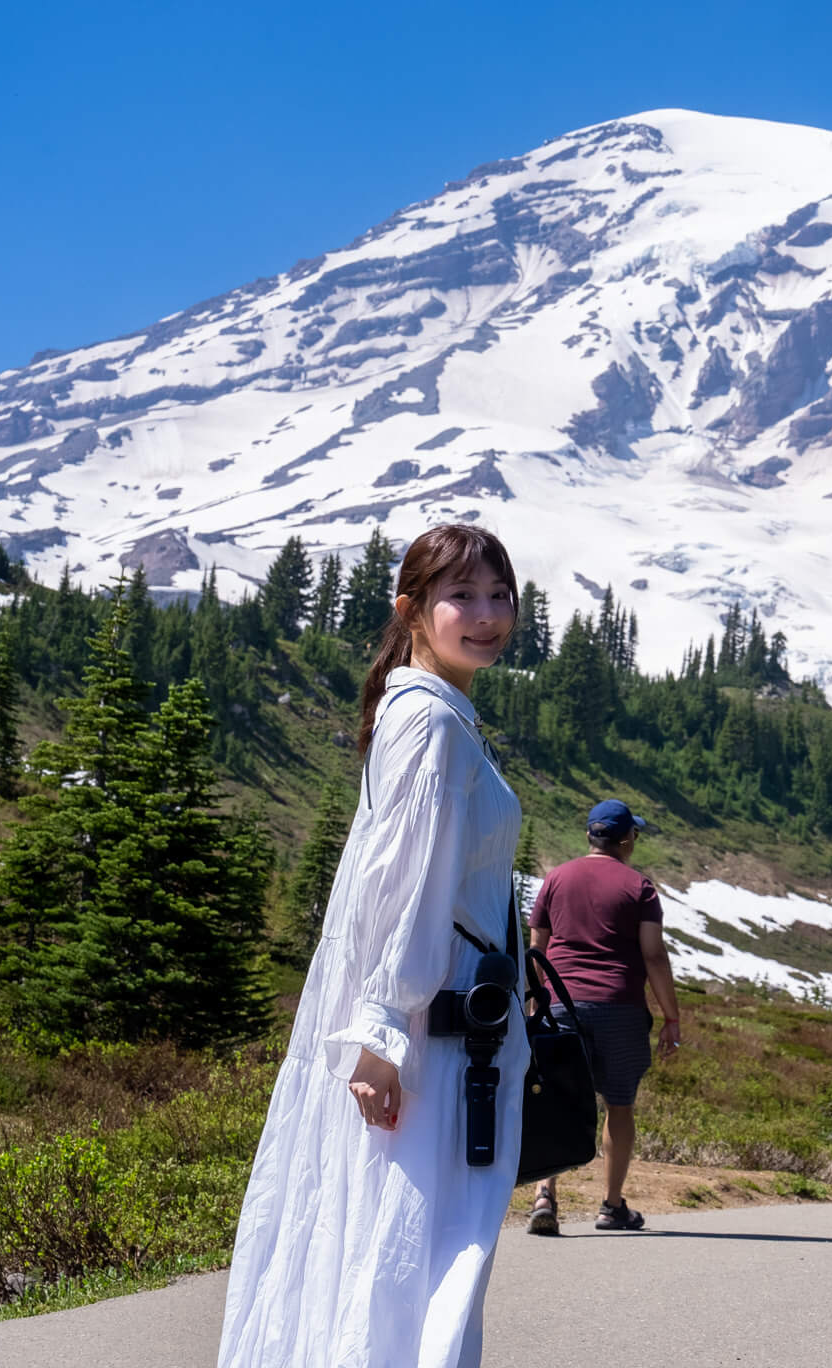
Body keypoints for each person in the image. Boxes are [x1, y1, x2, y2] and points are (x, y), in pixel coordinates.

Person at [219, 524, 526, 1368]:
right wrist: (383, 1036)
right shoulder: (429, 725)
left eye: (500, 595)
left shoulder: (434, 715)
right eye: (463, 595)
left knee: (404, 1242)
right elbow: (398, 893)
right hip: (434, 1041)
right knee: (423, 1248)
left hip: (445, 1030)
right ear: (413, 610)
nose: (487, 614)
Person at [525, 798, 682, 1235]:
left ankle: (544, 1194)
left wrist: (536, 1005)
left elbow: (537, 948)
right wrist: (671, 1017)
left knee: (555, 1097)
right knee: (619, 1103)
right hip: (620, 1007)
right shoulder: (640, 888)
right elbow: (653, 954)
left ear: (589, 836)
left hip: (561, 1003)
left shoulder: (556, 879)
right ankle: (612, 1206)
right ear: (627, 839)